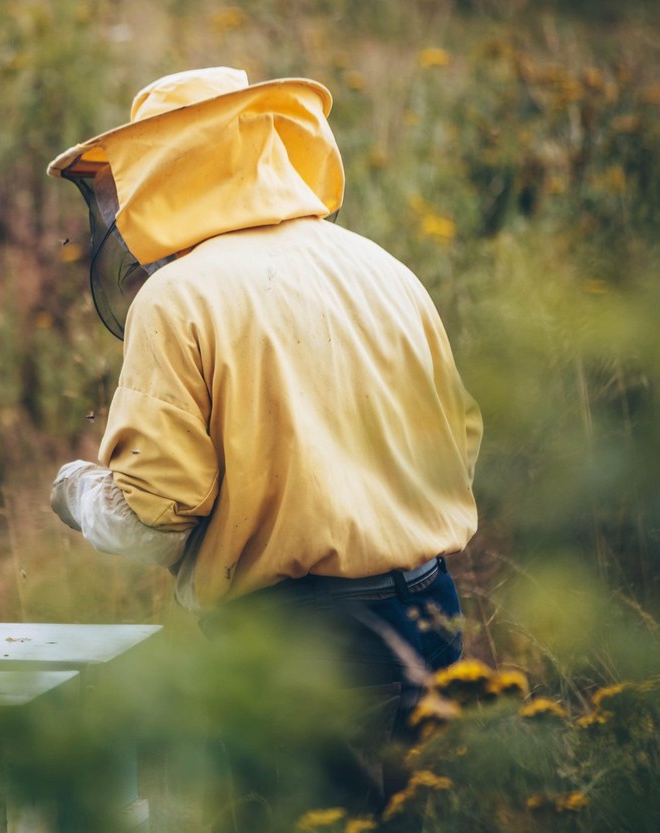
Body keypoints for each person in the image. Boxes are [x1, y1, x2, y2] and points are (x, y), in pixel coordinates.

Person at [47, 66, 482, 818]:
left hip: (297, 651)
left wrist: (77, 493)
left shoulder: (177, 298)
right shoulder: (382, 269)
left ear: (168, 168)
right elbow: (460, 439)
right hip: (434, 618)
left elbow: (154, 515)